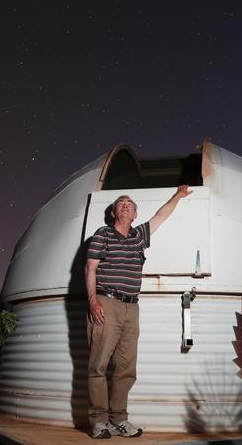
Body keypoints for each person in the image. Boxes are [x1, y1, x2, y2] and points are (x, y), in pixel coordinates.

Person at [85, 185, 192, 439]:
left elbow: (161, 216)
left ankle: (119, 419)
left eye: (130, 204)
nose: (125, 205)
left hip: (132, 307)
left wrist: (177, 195)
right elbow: (90, 268)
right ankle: (99, 421)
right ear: (113, 213)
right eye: (121, 203)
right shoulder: (103, 234)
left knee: (126, 368)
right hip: (106, 302)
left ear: (134, 214)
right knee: (98, 366)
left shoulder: (139, 236)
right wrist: (93, 301)